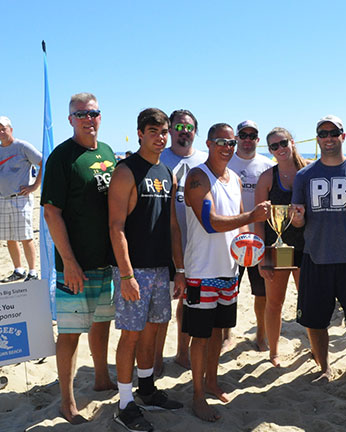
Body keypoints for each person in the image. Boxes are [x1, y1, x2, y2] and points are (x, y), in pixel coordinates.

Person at [182, 123, 270, 422]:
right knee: (201, 336)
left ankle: (211, 382)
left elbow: (239, 224)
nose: (228, 147)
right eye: (222, 141)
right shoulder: (197, 176)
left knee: (219, 333)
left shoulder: (232, 177)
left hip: (229, 269)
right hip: (201, 270)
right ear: (208, 143)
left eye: (231, 143)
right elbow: (210, 222)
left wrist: (251, 246)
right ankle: (196, 395)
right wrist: (252, 216)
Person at [41, 93, 117, 425]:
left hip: (105, 261)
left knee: (102, 323)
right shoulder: (61, 158)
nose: (89, 119)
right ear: (70, 119)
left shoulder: (107, 152)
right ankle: (67, 401)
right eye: (81, 114)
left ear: (101, 117)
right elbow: (51, 213)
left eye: (94, 113)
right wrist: (68, 261)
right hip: (75, 265)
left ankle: (101, 377)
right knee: (70, 333)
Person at [290, 115, 346, 401]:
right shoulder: (304, 176)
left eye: (333, 132)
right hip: (316, 260)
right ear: (317, 138)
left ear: (342, 135)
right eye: (322, 133)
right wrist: (297, 219)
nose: (327, 137)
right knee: (315, 323)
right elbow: (298, 223)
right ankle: (325, 368)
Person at [109, 108, 184, 431]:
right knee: (131, 335)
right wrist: (125, 275)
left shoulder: (168, 172)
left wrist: (179, 269)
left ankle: (147, 389)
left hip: (160, 268)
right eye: (153, 130)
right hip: (134, 269)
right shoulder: (126, 171)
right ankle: (125, 404)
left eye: (164, 131)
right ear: (140, 133)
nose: (160, 136)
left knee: (153, 332)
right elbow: (115, 226)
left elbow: (172, 225)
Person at [157, 109, 208, 374]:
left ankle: (181, 353)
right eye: (178, 127)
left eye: (188, 127)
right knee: (162, 307)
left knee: (189, 304)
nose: (183, 131)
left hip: (197, 246)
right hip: (164, 246)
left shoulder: (205, 160)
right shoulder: (158, 158)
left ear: (195, 131)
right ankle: (155, 359)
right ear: (170, 130)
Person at [254, 127, 307, 367]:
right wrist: (261, 255)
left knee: (308, 301)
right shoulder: (267, 178)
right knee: (275, 303)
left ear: (292, 142)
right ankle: (273, 352)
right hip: (278, 248)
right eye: (273, 146)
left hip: (307, 247)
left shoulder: (309, 171)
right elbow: (258, 220)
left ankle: (313, 347)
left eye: (283, 143)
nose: (279, 149)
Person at [227, 120, 275, 352]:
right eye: (243, 135)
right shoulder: (226, 161)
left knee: (262, 292)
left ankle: (261, 335)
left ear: (258, 139)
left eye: (252, 135)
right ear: (236, 137)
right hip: (230, 236)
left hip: (259, 236)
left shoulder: (267, 165)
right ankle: (228, 335)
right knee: (228, 289)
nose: (247, 139)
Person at [0, 116, 42, 283]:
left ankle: (33, 272)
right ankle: (19, 270)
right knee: (9, 236)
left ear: (11, 129)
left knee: (25, 236)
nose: (1, 132)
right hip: (3, 199)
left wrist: (34, 187)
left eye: (3, 128)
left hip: (21, 198)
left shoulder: (22, 146)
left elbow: (44, 163)